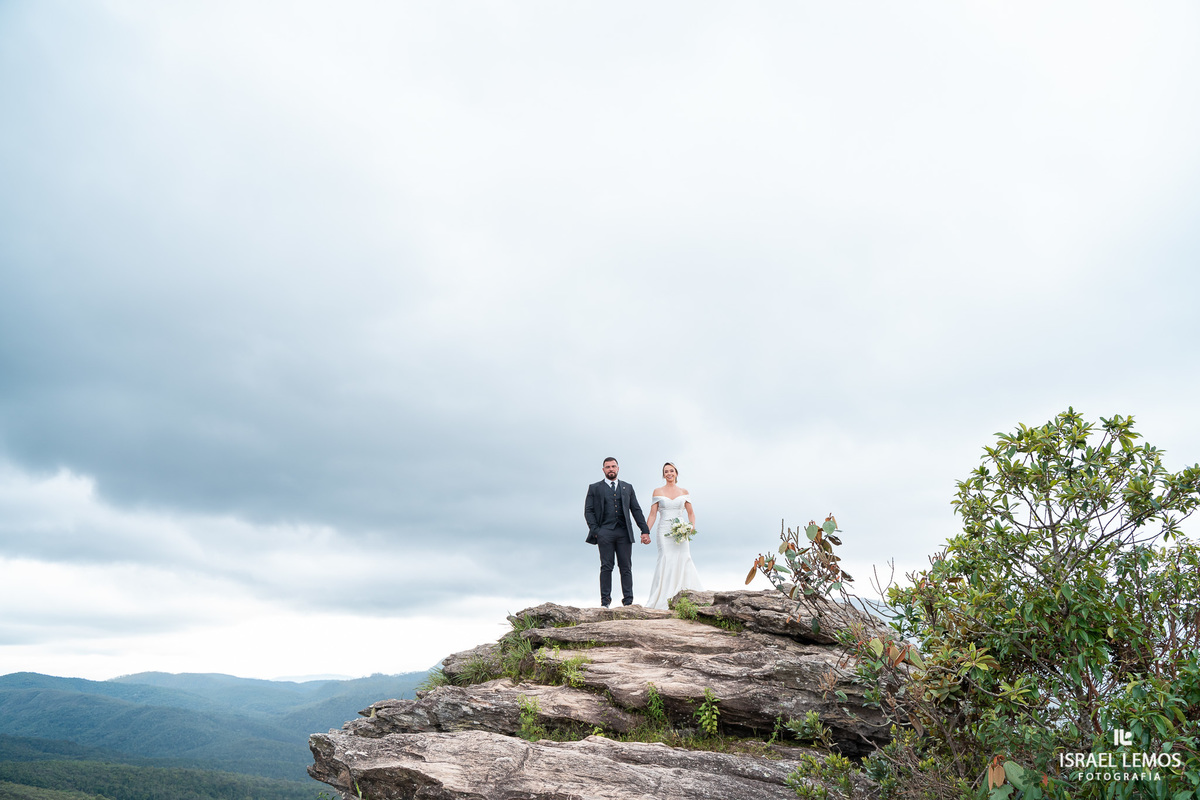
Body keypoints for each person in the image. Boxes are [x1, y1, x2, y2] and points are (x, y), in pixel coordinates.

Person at [583, 457, 651, 607]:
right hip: (604, 532)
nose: (611, 469)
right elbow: (588, 511)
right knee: (606, 566)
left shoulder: (628, 487)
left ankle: (628, 601)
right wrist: (596, 531)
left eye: (613, 466)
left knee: (626, 567)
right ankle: (605, 602)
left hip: (623, 532)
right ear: (603, 470)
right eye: (608, 467)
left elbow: (636, 510)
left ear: (618, 468)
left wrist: (645, 530)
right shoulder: (594, 488)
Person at [643, 461, 703, 610]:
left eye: (671, 471)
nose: (669, 473)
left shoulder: (684, 492)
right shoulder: (657, 491)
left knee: (684, 557)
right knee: (666, 558)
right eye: (666, 472)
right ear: (663, 475)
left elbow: (691, 513)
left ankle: (685, 594)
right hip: (664, 530)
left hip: (680, 530)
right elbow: (652, 515)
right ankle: (663, 597)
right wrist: (645, 531)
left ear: (676, 473)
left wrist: (691, 526)